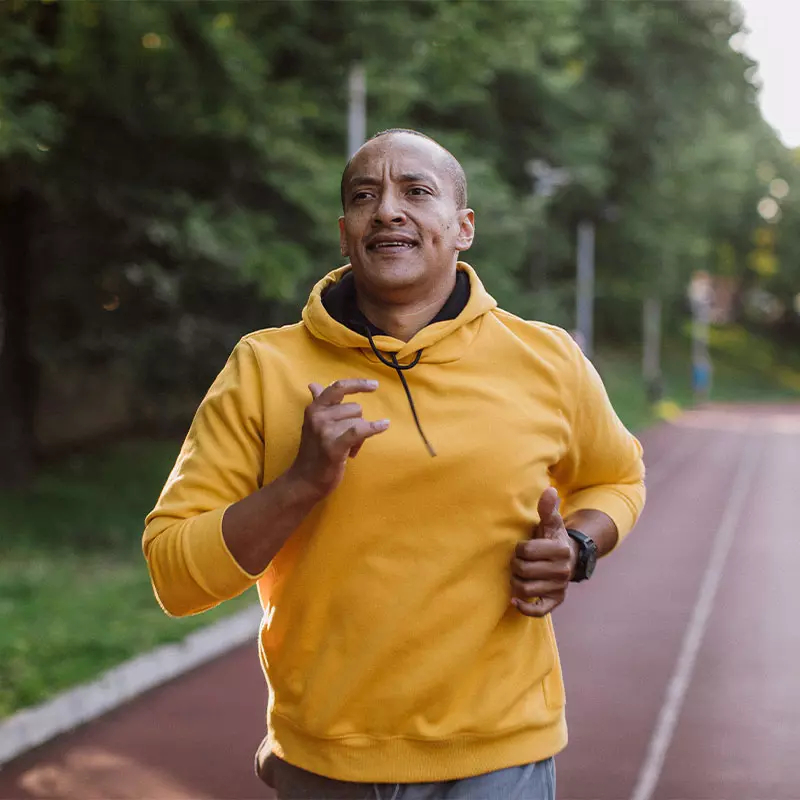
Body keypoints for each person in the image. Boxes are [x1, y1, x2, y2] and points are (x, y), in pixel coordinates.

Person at [143, 129, 646, 800]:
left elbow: (619, 477)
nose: (387, 210)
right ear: (346, 233)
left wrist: (580, 544)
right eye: (364, 196)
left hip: (501, 753)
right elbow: (175, 576)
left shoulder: (546, 358)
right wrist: (299, 485)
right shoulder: (264, 367)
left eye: (417, 191)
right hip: (326, 762)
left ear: (462, 227)